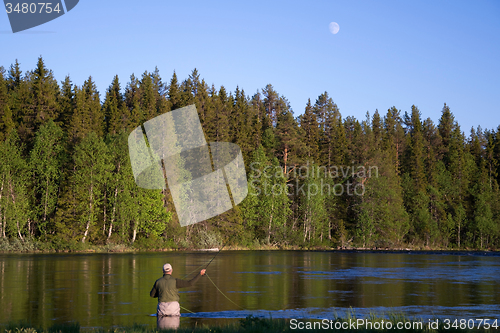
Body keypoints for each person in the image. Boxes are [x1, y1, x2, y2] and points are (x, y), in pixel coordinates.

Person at [150, 263, 206, 329]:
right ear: (171, 270)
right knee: (174, 329)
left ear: (163, 271)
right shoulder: (176, 281)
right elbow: (190, 283)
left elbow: (152, 295)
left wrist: (160, 293)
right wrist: (200, 274)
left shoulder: (158, 282)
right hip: (173, 309)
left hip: (162, 309)